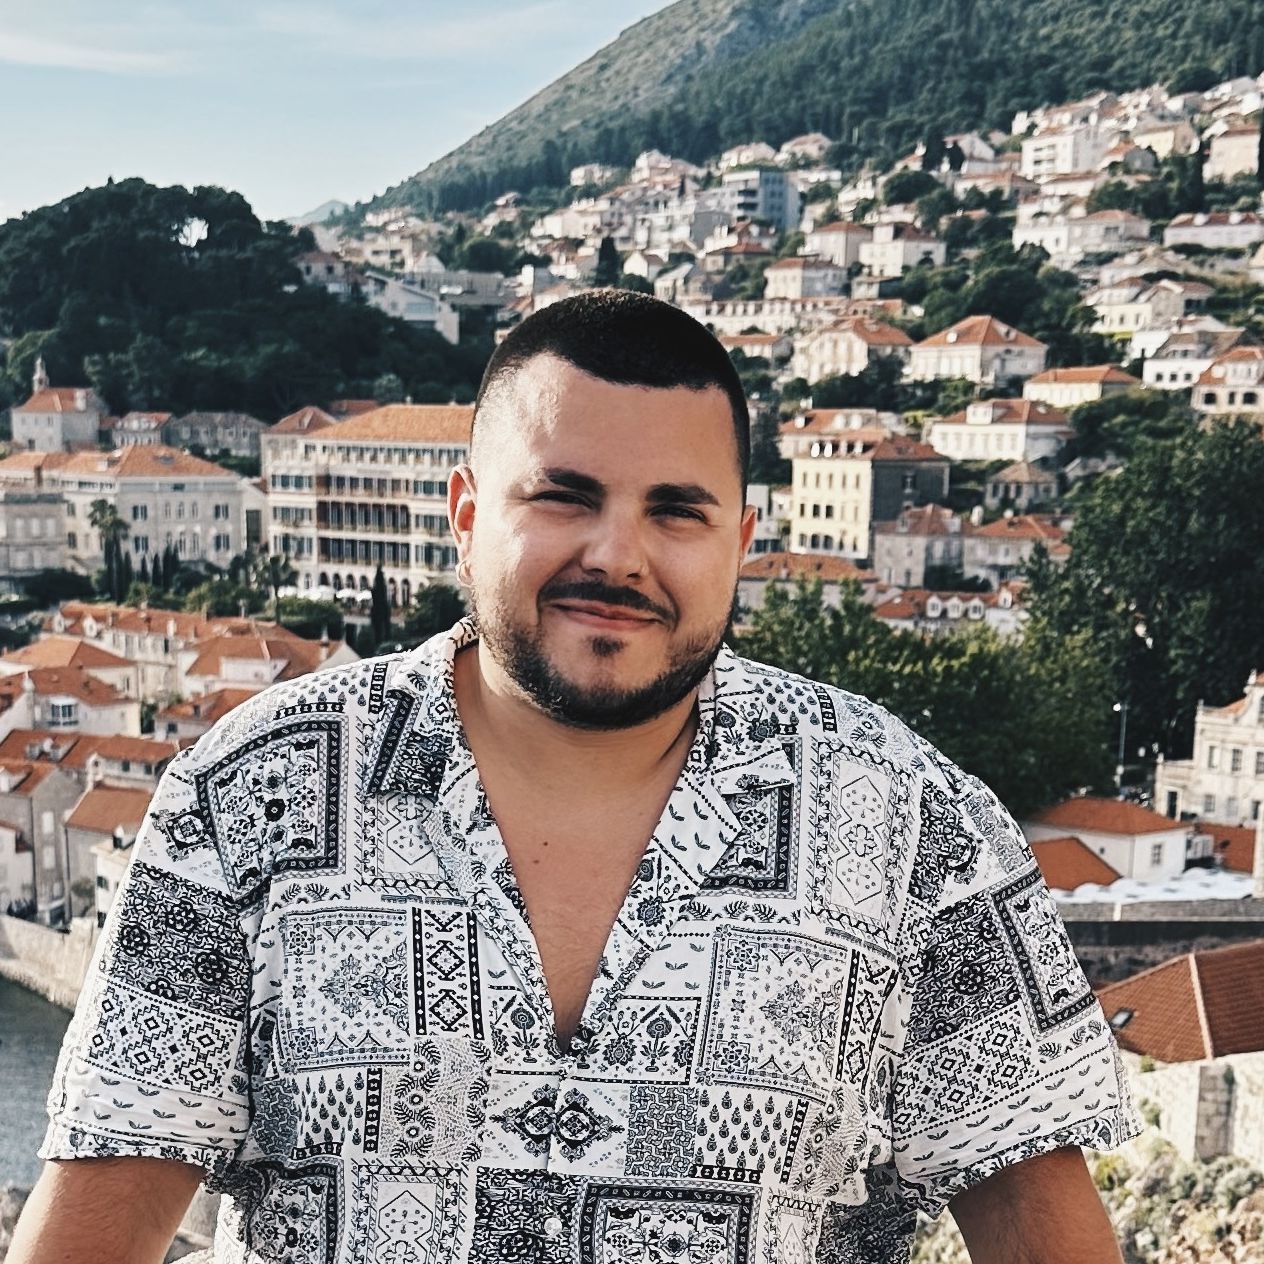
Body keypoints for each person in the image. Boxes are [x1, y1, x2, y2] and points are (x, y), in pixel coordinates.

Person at [10, 291, 1138, 1264]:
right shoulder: (253, 795)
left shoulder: (911, 825)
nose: (616, 555)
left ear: (741, 540)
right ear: (466, 515)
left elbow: (1046, 1229)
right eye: (564, 496)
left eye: (675, 511)